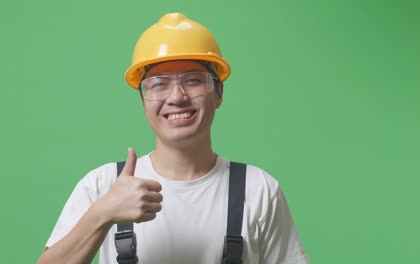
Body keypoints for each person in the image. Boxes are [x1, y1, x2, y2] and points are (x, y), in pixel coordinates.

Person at [38, 13, 309, 264]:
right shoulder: (103, 185)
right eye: (159, 84)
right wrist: (102, 214)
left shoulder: (259, 190)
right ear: (144, 100)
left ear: (219, 94)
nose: (177, 97)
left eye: (193, 80)